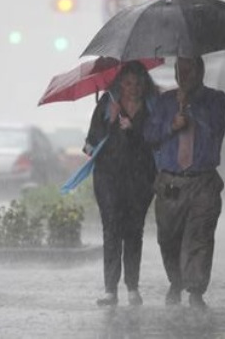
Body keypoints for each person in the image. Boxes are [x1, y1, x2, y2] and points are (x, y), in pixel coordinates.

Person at [143, 56, 225, 311]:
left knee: (199, 237)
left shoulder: (216, 100)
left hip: (203, 181)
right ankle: (176, 281)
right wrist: (172, 125)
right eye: (180, 70)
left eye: (190, 69)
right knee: (168, 238)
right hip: (170, 181)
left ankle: (195, 290)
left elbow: (216, 126)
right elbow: (150, 135)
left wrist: (191, 107)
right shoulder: (164, 102)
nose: (185, 75)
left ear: (200, 71)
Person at [84, 60, 158, 307]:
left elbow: (158, 139)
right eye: (127, 83)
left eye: (138, 83)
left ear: (144, 84)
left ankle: (133, 287)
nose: (133, 88)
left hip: (140, 179)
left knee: (134, 231)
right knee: (112, 229)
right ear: (120, 84)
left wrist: (134, 128)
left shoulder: (153, 107)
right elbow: (90, 144)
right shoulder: (107, 104)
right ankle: (110, 289)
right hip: (108, 177)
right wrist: (109, 121)